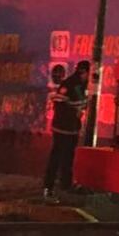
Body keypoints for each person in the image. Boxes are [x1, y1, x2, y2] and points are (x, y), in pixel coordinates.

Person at [43, 60, 90, 203]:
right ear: (83, 71)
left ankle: (66, 184)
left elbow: (81, 103)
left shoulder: (82, 85)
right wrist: (75, 110)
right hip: (62, 128)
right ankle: (48, 188)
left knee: (69, 158)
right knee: (56, 158)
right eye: (89, 72)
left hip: (72, 128)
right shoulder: (69, 84)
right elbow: (60, 103)